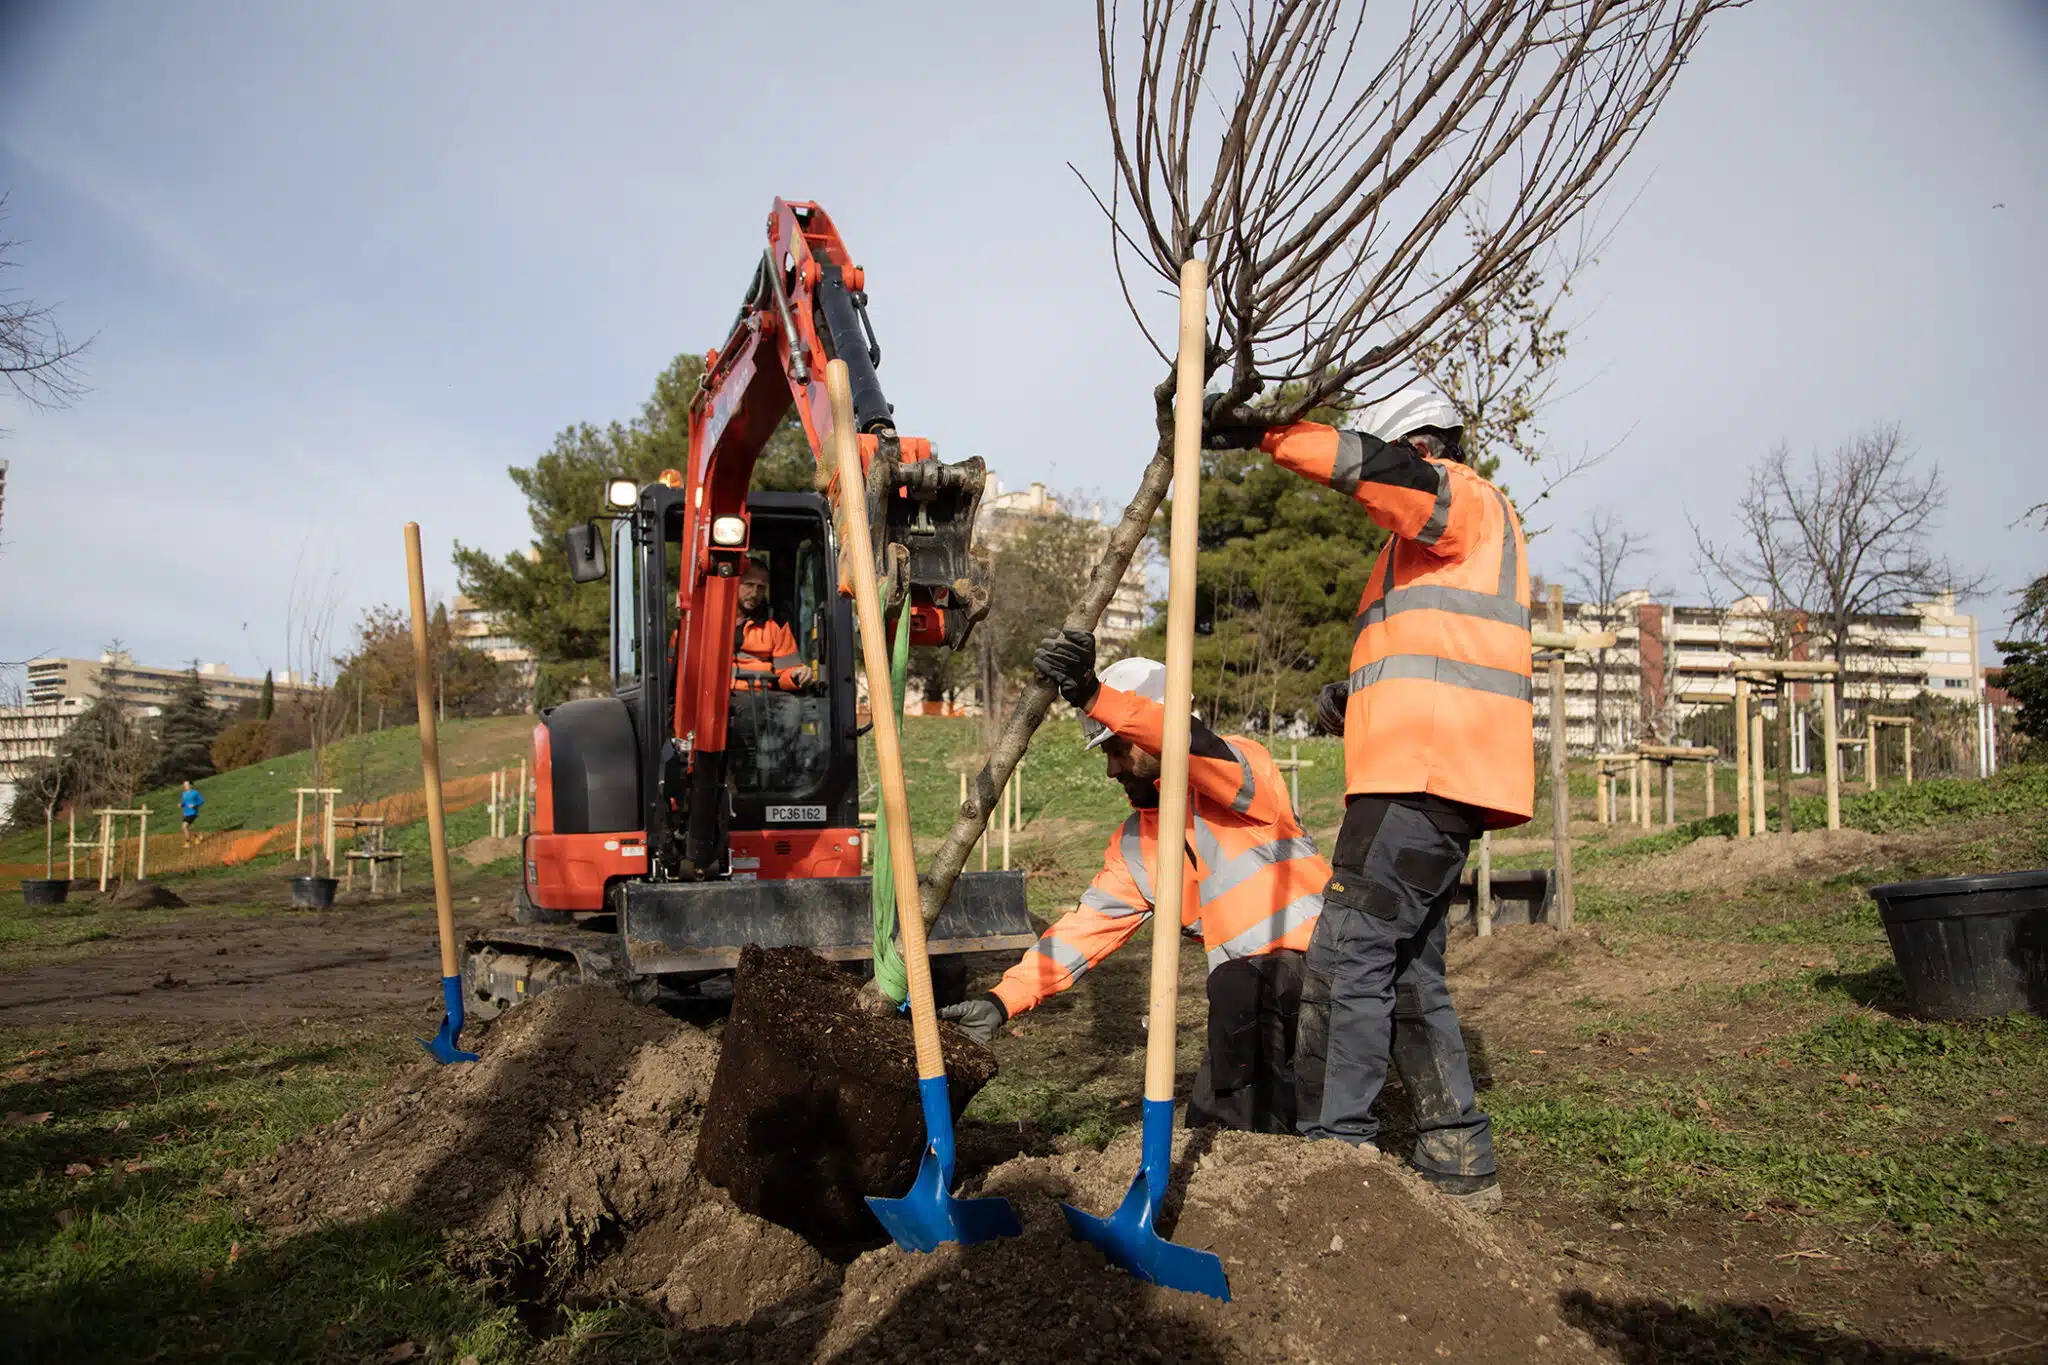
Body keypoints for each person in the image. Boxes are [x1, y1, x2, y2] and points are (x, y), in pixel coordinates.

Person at [1207, 386, 1533, 1211]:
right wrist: (1353, 702)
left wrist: (1270, 435)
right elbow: (1438, 662)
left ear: (1421, 448)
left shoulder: (1461, 497)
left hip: (1421, 782)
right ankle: (1457, 1154)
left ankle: (1335, 1158)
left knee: (1346, 950)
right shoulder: (1422, 555)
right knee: (1409, 969)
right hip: (1434, 778)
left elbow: (1385, 474)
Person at [941, 633, 1327, 1133]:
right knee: (1206, 1124)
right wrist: (1000, 1001)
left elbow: (1191, 745)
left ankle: (1288, 1156)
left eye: (1119, 748)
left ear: (1153, 731)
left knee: (1239, 1019)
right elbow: (1082, 933)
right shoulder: (1137, 844)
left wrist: (1094, 697)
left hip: (1326, 973)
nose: (1110, 769)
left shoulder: (1245, 772)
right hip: (1249, 1001)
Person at [733, 558, 813, 692]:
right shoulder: (713, 617)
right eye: (749, 585)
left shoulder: (776, 625)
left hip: (759, 700)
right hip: (717, 698)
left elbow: (786, 671)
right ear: (735, 583)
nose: (754, 593)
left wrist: (796, 675)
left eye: (761, 587)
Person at [179, 780, 205, 847]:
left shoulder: (195, 793)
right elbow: (185, 802)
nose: (185, 786)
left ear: (190, 785)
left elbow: (202, 801)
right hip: (186, 813)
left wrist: (195, 805)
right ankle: (197, 837)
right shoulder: (183, 793)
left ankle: (188, 843)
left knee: (184, 827)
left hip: (193, 812)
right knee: (188, 827)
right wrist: (181, 804)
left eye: (187, 785)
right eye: (184, 785)